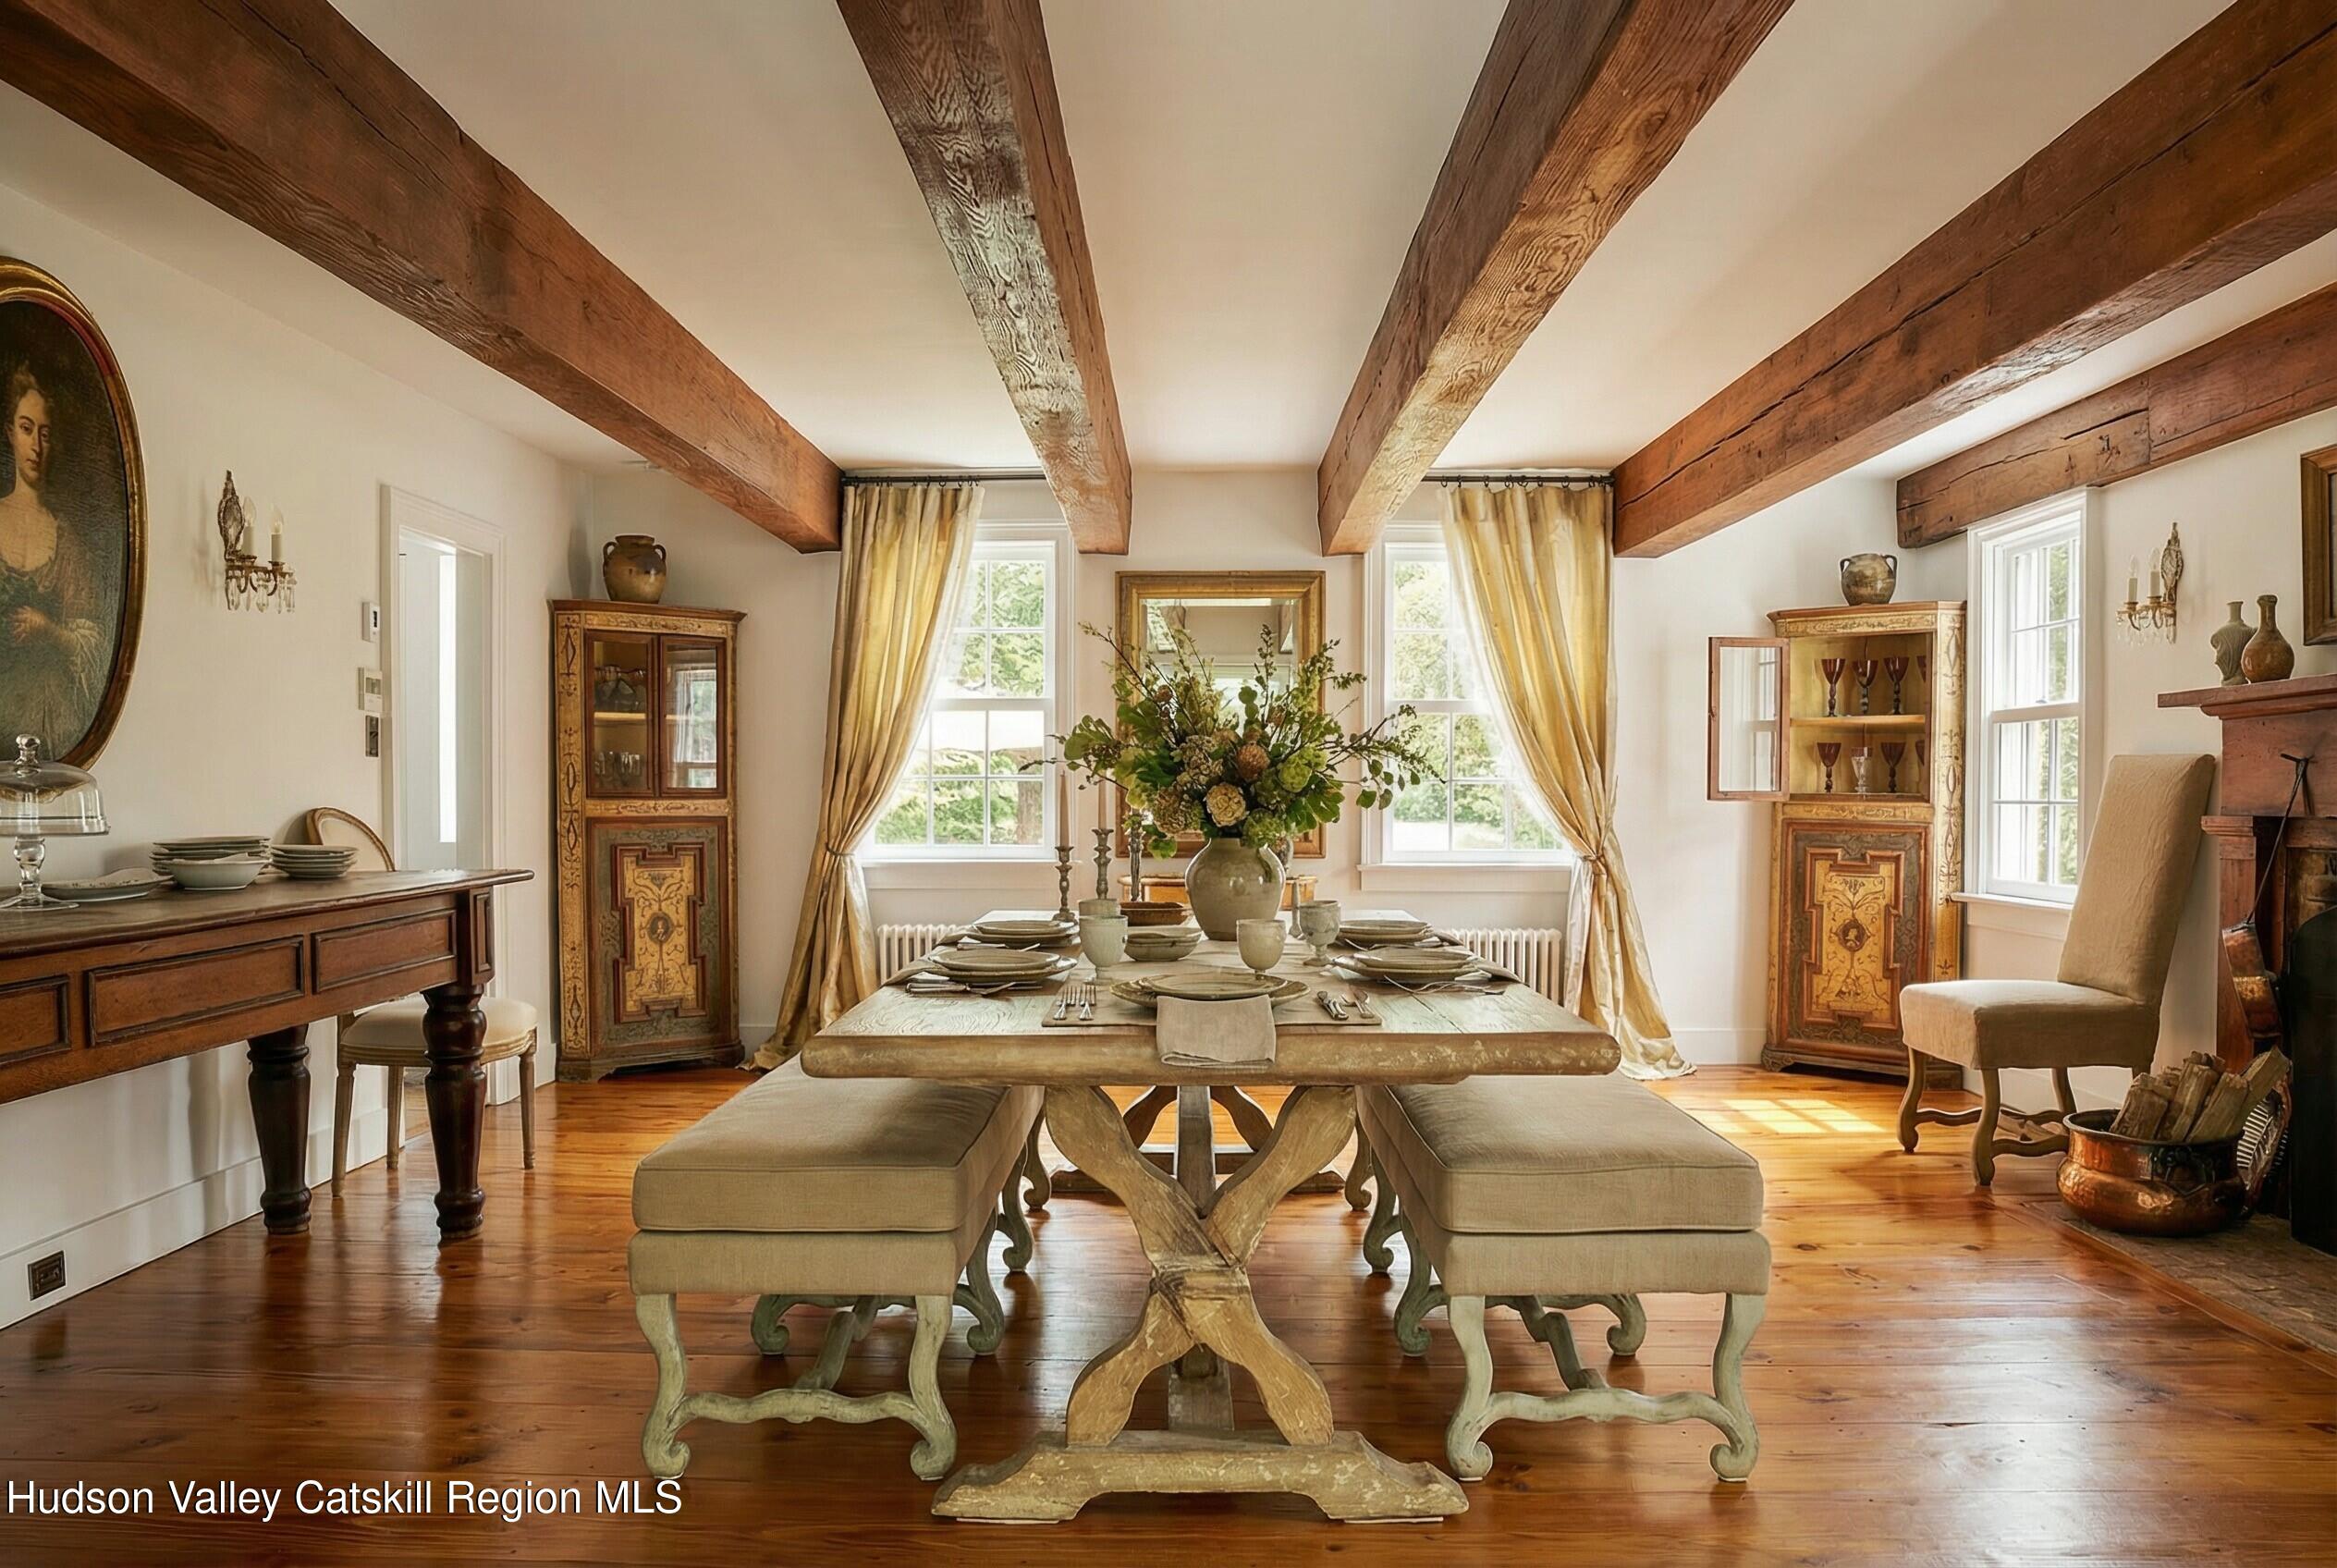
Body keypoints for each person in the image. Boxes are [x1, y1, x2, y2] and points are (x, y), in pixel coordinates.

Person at [0, 361, 107, 754]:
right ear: (10, 433)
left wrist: (49, 631)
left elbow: (93, 643)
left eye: (45, 434)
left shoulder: (68, 542)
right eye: (27, 429)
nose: (36, 446)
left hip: (51, 717)